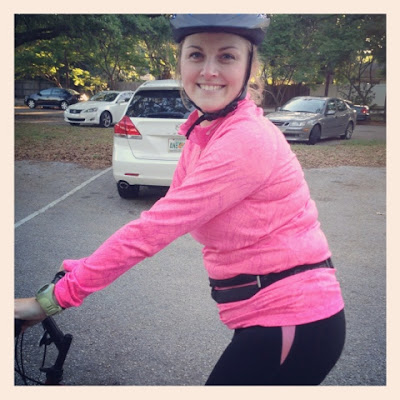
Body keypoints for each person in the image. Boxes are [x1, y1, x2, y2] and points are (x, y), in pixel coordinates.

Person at [15, 14, 346, 385]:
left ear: (250, 69)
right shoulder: (205, 131)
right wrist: (80, 269)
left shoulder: (246, 139)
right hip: (268, 317)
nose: (209, 70)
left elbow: (155, 229)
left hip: (295, 319)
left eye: (227, 56)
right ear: (181, 65)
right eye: (196, 55)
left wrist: (53, 300)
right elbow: (164, 213)